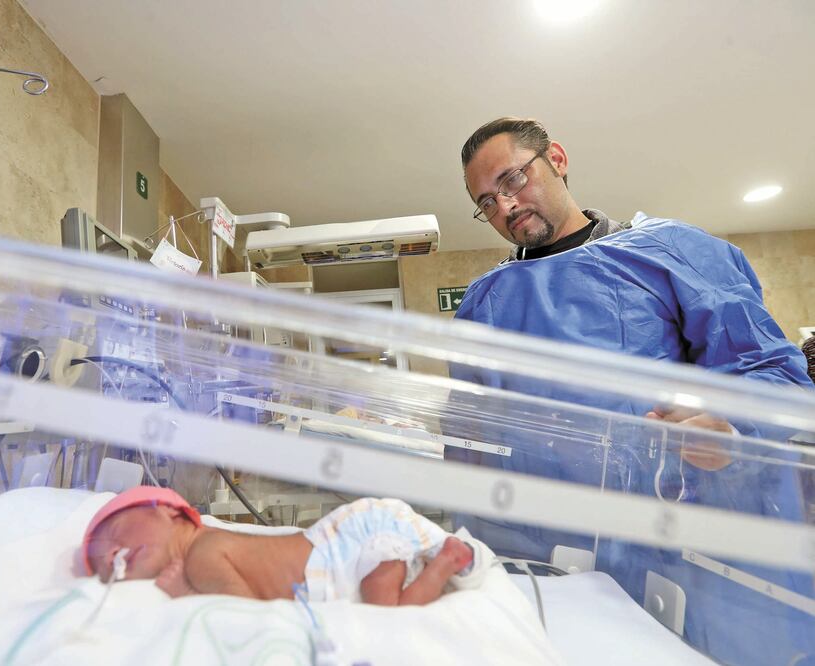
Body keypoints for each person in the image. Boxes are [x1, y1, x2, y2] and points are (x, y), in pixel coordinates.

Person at [446, 116, 814, 664]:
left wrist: (730, 426)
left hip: (682, 543)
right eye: (486, 202)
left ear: (558, 159)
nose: (505, 206)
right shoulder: (483, 305)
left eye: (513, 180)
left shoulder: (668, 254)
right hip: (545, 567)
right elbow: (471, 443)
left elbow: (775, 374)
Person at [82, 487, 493, 606]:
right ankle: (447, 562)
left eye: (117, 531)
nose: (111, 552)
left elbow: (241, 611)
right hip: (351, 546)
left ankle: (445, 563)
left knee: (387, 608)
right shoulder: (204, 546)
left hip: (349, 552)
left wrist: (186, 595)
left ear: (170, 511)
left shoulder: (202, 557)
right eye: (102, 561)